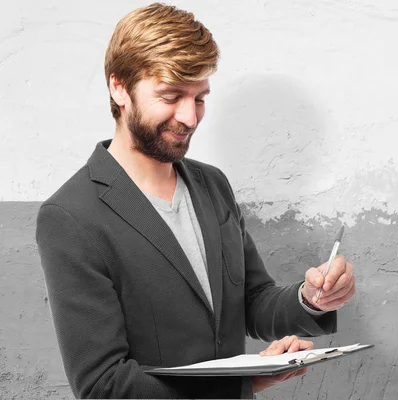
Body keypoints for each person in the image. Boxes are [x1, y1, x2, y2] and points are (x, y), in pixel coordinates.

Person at [35, 3, 356, 399]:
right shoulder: (70, 216)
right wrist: (242, 382)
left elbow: (252, 302)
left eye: (200, 98)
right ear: (119, 87)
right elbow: (103, 385)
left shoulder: (212, 185)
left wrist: (311, 299)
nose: (189, 117)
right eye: (171, 96)